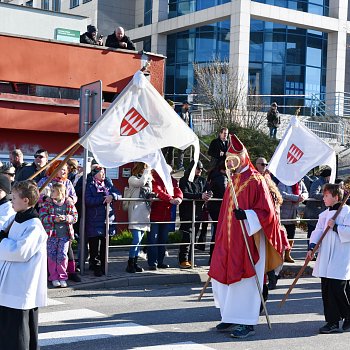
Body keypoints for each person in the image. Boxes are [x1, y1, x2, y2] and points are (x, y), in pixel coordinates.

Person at [208, 134, 284, 339]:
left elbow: (267, 212)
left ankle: (247, 322)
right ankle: (231, 316)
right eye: (229, 158)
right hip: (230, 240)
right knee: (226, 279)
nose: (231, 161)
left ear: (244, 157)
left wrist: (248, 215)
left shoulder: (256, 180)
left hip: (250, 240)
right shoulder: (232, 180)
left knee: (247, 283)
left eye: (235, 157)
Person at [0, 180, 47, 350]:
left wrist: (1, 241)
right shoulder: (16, 217)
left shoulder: (34, 225)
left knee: (18, 330)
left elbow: (20, 252)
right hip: (9, 281)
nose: (11, 200)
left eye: (14, 197)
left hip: (21, 284)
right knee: (7, 329)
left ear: (26, 200)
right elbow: (3, 230)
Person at [307, 183, 350, 334]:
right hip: (325, 257)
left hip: (340, 256)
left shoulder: (346, 211)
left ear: (336, 197)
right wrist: (311, 247)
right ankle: (332, 322)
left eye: (326, 195)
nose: (323, 198)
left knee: (338, 288)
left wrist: (336, 227)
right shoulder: (324, 215)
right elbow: (318, 231)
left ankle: (347, 315)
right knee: (327, 289)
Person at [40, 183, 78, 288]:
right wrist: (53, 218)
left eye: (53, 191)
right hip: (51, 235)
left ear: (60, 192)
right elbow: (42, 217)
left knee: (62, 255)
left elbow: (75, 217)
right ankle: (53, 277)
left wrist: (66, 218)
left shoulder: (69, 204)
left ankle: (62, 277)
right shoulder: (48, 204)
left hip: (65, 235)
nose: (50, 193)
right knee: (52, 255)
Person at [85, 165, 120, 276]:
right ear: (95, 174)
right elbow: (88, 200)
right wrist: (103, 199)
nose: (103, 174)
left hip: (107, 218)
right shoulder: (90, 185)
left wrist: (113, 196)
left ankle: (104, 265)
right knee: (94, 244)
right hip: (94, 219)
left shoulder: (108, 184)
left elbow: (119, 193)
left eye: (104, 172)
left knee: (105, 244)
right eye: (101, 172)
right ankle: (95, 265)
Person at [178, 160, 211, 269]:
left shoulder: (202, 180)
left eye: (201, 169)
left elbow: (209, 190)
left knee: (194, 236)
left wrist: (209, 195)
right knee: (187, 236)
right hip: (187, 211)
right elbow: (185, 193)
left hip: (198, 212)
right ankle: (183, 259)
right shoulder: (184, 180)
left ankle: (191, 259)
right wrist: (199, 196)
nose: (200, 171)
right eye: (198, 168)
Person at [148, 168, 183, 270]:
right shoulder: (155, 179)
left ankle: (160, 261)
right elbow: (158, 190)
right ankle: (152, 263)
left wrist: (179, 198)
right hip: (154, 215)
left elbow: (177, 190)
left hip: (165, 215)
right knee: (153, 240)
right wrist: (170, 199)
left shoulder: (172, 180)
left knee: (163, 240)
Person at [125, 162, 153, 273]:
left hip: (145, 212)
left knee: (140, 240)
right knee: (136, 239)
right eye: (145, 169)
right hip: (135, 211)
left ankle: (135, 263)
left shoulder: (148, 179)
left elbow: (149, 190)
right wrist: (147, 172)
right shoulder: (132, 179)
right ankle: (130, 263)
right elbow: (141, 183)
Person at [278, 180, 308, 263]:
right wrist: (296, 197)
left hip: (294, 213)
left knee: (291, 235)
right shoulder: (283, 181)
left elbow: (306, 192)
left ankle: (288, 254)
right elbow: (281, 194)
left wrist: (303, 196)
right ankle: (279, 255)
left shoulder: (300, 182)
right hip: (283, 212)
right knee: (280, 235)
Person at [206, 160, 228, 264]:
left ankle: (213, 258)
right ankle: (215, 259)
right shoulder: (222, 178)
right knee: (218, 234)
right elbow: (225, 193)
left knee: (216, 233)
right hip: (219, 209)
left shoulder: (215, 175)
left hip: (214, 209)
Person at [304, 168, 331, 243]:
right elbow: (313, 194)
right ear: (328, 176)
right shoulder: (318, 182)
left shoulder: (326, 183)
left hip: (321, 211)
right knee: (312, 232)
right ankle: (310, 250)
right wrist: (327, 196)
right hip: (314, 212)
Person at [176, 101, 193, 170]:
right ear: (184, 105)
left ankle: (181, 165)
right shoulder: (179, 113)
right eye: (187, 105)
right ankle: (179, 165)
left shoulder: (189, 113)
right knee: (180, 150)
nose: (188, 107)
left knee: (184, 150)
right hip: (180, 134)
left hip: (187, 134)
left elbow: (190, 124)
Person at [162, 99, 176, 168]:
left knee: (170, 151)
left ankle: (170, 166)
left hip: (172, 135)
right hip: (165, 135)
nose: (173, 108)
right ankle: (162, 165)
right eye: (172, 107)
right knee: (164, 151)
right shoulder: (164, 113)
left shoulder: (172, 114)